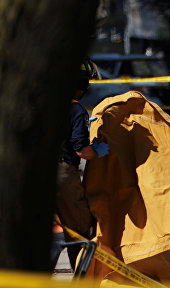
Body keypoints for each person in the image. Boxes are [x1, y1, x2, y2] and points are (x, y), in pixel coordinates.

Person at [56, 58, 110, 269]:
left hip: (36, 173)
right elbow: (82, 151)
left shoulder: (45, 106)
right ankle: (82, 276)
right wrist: (99, 151)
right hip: (62, 176)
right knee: (78, 226)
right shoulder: (75, 110)